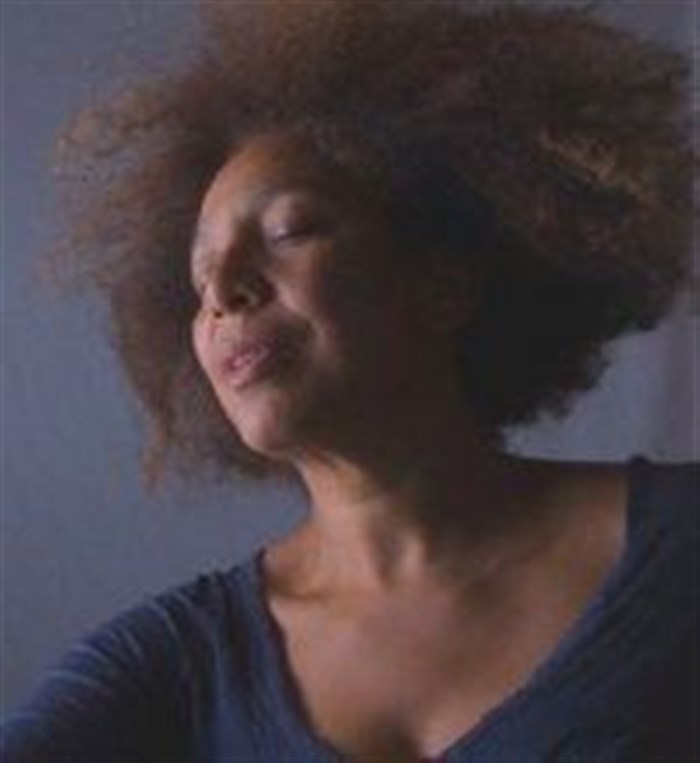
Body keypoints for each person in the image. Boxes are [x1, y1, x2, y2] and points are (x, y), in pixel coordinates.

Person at [2, 2, 697, 761]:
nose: (224, 291)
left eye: (288, 230)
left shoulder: (679, 544)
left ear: (443, 282)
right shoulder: (182, 661)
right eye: (199, 279)